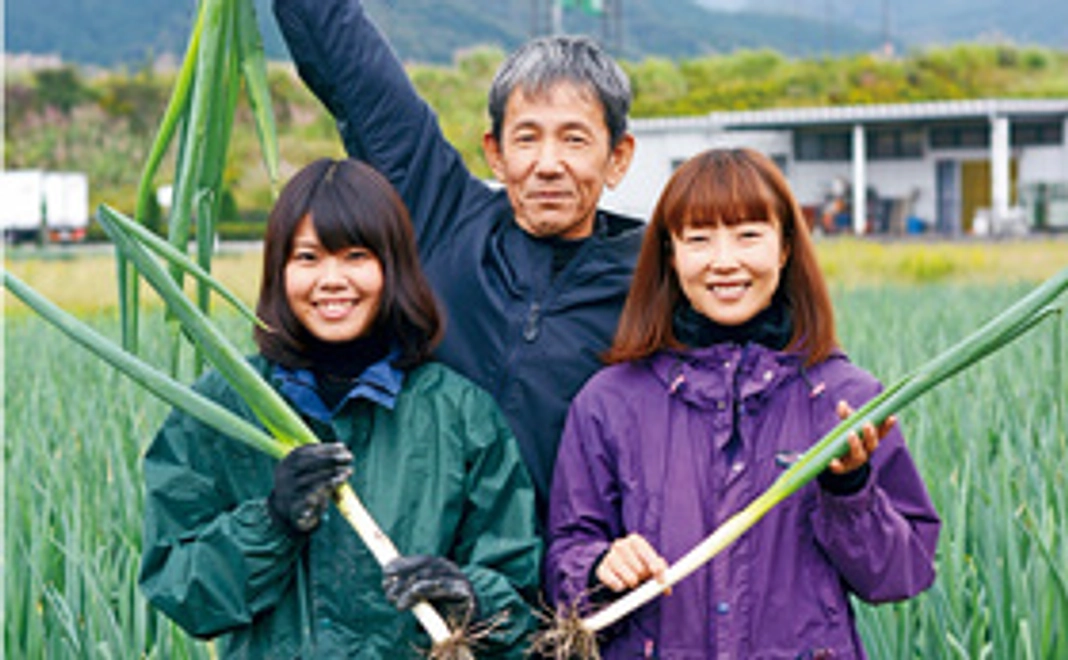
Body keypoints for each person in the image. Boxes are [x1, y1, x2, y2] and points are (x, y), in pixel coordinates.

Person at [544, 148, 941, 658]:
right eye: (699, 239)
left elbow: (901, 574)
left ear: (784, 249)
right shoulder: (610, 402)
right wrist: (599, 565)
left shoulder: (846, 399)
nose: (724, 261)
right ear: (670, 254)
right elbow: (565, 560)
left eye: (748, 235)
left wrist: (850, 489)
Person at [138, 158, 540, 658]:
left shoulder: (459, 413)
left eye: (355, 256)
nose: (331, 279)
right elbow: (180, 590)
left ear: (392, 267)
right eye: (307, 257)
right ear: (278, 270)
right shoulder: (221, 409)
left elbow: (521, 601)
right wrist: (272, 522)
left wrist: (469, 597)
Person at [273, 0, 643, 519]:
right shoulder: (442, 215)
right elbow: (355, 74)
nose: (548, 165)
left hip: (572, 587)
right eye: (527, 138)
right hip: (417, 573)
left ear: (617, 157)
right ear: (496, 154)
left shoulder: (657, 280)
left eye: (575, 140)